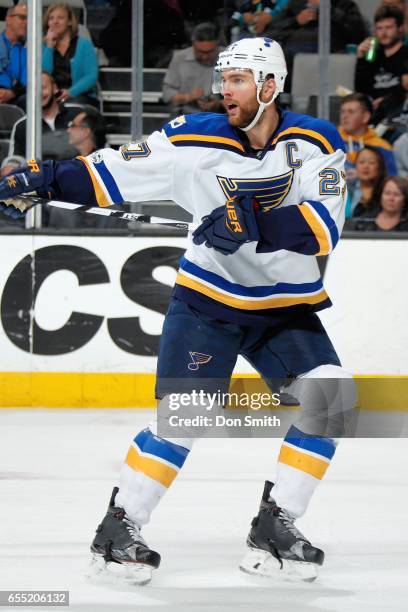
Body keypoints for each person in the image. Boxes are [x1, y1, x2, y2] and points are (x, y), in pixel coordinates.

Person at [0, 37, 355, 585]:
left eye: (237, 79)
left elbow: (321, 229)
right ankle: (119, 529)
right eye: (222, 78)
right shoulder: (190, 137)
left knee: (330, 395)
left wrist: (249, 224)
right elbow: (108, 172)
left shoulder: (317, 142)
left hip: (284, 306)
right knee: (187, 415)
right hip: (208, 301)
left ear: (270, 85)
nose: (224, 89)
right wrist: (45, 180)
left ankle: (276, 527)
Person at [264, 0, 367, 89]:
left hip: (330, 63)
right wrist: (296, 21)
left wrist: (328, 9)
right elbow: (270, 34)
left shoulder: (344, 5)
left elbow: (358, 33)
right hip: (293, 65)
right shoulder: (296, 5)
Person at [10, 71, 78, 159]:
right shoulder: (22, 126)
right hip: (42, 172)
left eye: (43, 87)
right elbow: (17, 160)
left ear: (55, 88)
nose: (39, 93)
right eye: (34, 89)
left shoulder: (77, 114)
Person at [42, 3, 98, 106]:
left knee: (70, 105)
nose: (55, 22)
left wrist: (71, 92)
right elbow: (44, 74)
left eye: (60, 18)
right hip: (51, 97)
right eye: (51, 18)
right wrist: (49, 47)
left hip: (79, 95)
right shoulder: (43, 47)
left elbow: (91, 76)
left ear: (69, 22)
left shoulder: (84, 45)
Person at [162, 22, 224, 115]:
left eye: (210, 52)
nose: (205, 57)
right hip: (185, 117)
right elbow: (167, 94)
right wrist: (189, 97)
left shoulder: (229, 57)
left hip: (220, 117)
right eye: (200, 52)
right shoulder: (180, 58)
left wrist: (218, 104)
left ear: (217, 45)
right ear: (193, 43)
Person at [355, 6, 408, 109]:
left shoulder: (406, 54)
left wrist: (386, 101)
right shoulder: (373, 55)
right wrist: (361, 58)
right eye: (379, 28)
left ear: (400, 28)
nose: (383, 33)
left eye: (388, 27)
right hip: (372, 112)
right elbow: (360, 90)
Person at [338, 92, 397, 180]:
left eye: (351, 112)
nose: (345, 116)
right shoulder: (331, 142)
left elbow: (390, 180)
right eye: (343, 112)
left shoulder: (382, 147)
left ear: (365, 117)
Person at [345, 145, 387, 218]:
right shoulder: (347, 190)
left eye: (371, 162)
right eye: (361, 162)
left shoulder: (387, 191)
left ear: (380, 167)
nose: (366, 166)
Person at [0, 2, 27, 105]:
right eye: (22, 17)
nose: (26, 22)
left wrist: (11, 93)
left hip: (16, 96)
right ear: (8, 20)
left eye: (29, 19)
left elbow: (27, 81)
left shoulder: (29, 49)